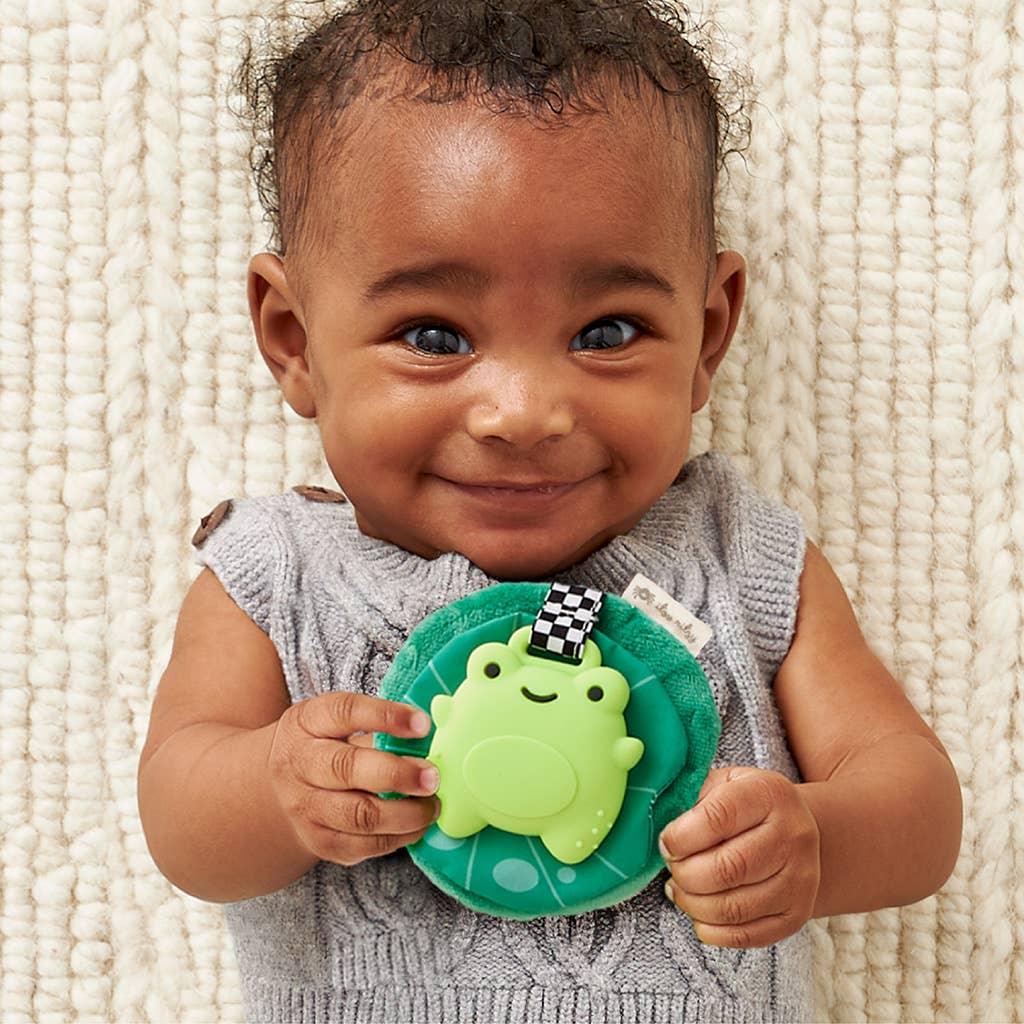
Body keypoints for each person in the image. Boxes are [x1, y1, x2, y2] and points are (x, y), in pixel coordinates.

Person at [137, 1, 963, 1020]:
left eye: (607, 330)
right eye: (434, 335)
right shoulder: (274, 577)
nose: (523, 413)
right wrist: (274, 785)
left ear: (706, 333)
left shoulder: (739, 555)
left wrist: (818, 838)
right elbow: (180, 820)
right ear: (293, 337)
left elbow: (915, 802)